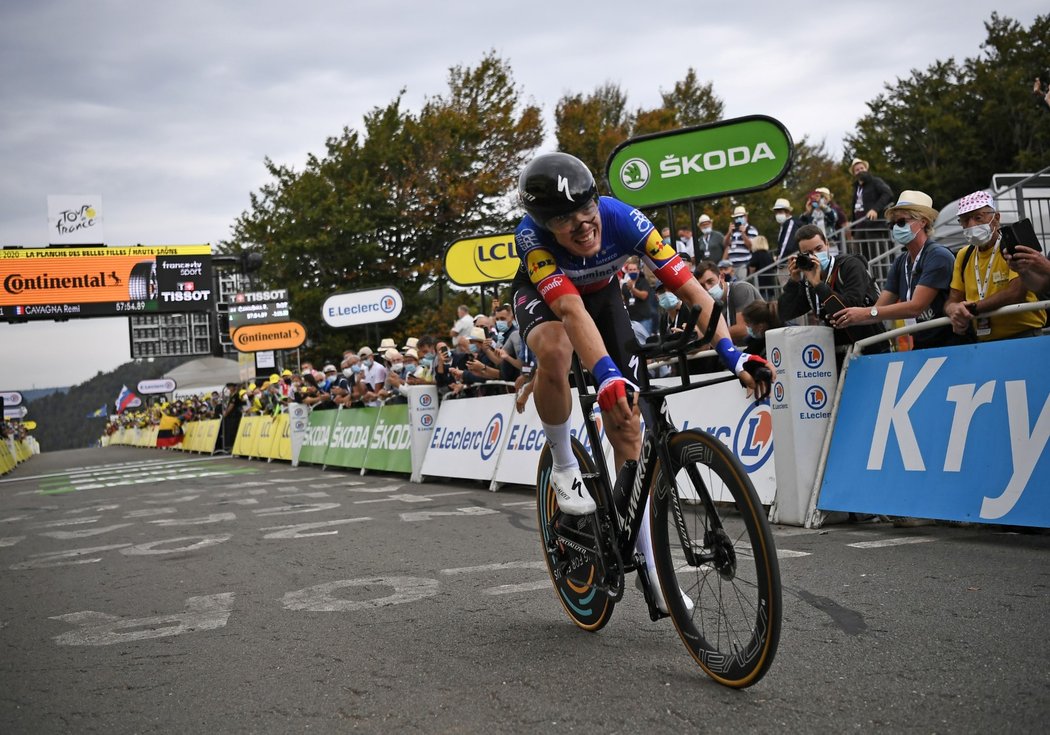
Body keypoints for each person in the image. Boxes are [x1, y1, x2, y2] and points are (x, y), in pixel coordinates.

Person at [512, 152, 773, 518]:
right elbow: (570, 310)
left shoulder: (626, 221)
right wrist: (605, 377)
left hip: (603, 294)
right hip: (547, 296)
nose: (582, 224)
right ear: (544, 223)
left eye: (587, 208)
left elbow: (692, 290)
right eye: (562, 219)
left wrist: (734, 355)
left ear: (596, 199)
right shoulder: (530, 236)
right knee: (556, 349)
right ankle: (563, 464)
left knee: (628, 422)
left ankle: (645, 557)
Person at [831, 190, 957, 350]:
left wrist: (864, 313)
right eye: (893, 224)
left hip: (951, 344)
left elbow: (915, 307)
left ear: (923, 221)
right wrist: (849, 317)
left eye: (902, 222)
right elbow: (878, 310)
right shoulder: (900, 262)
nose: (896, 228)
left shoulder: (937, 255)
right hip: (922, 346)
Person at [943, 191, 1046, 341]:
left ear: (996, 218)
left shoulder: (1013, 245)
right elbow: (953, 299)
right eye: (965, 220)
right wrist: (953, 310)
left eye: (978, 217)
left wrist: (972, 309)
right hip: (985, 341)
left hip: (1024, 336)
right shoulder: (964, 255)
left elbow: (1016, 293)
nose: (972, 225)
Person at [778, 224, 889, 358]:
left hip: (871, 347)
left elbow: (847, 308)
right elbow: (785, 312)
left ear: (827, 245)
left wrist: (818, 285)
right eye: (809, 253)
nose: (815, 256)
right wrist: (793, 282)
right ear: (801, 255)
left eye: (819, 249)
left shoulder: (849, 265)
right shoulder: (809, 279)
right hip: (837, 353)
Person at [694, 259, 761, 346]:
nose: (707, 288)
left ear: (721, 277)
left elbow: (744, 329)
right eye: (702, 285)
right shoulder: (709, 302)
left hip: (760, 346)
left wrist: (707, 334)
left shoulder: (741, 289)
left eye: (710, 281)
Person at [847, 158, 894, 260]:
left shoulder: (875, 181)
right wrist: (853, 228)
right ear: (854, 173)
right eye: (857, 170)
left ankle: (882, 276)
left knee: (878, 258)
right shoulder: (856, 187)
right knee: (862, 259)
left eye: (862, 168)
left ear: (866, 169)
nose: (860, 171)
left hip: (874, 226)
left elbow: (888, 194)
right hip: (859, 227)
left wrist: (875, 209)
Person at [621, 256, 657, 342]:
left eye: (634, 269)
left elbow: (644, 295)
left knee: (646, 342)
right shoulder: (625, 285)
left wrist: (632, 289)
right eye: (630, 270)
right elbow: (622, 298)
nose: (632, 271)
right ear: (627, 271)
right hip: (632, 320)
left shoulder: (643, 282)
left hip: (644, 319)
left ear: (638, 270)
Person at [723, 205, 759, 281]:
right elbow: (725, 244)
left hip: (744, 265)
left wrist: (743, 233)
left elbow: (751, 247)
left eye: (741, 216)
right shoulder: (733, 231)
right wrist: (729, 232)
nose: (738, 219)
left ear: (746, 217)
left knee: (743, 286)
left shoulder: (751, 229)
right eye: (736, 217)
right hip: (732, 266)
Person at [771, 197, 801, 263]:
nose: (777, 214)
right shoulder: (784, 224)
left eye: (780, 211)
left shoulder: (791, 223)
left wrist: (779, 260)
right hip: (788, 261)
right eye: (776, 212)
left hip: (788, 262)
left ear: (788, 211)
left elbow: (786, 245)